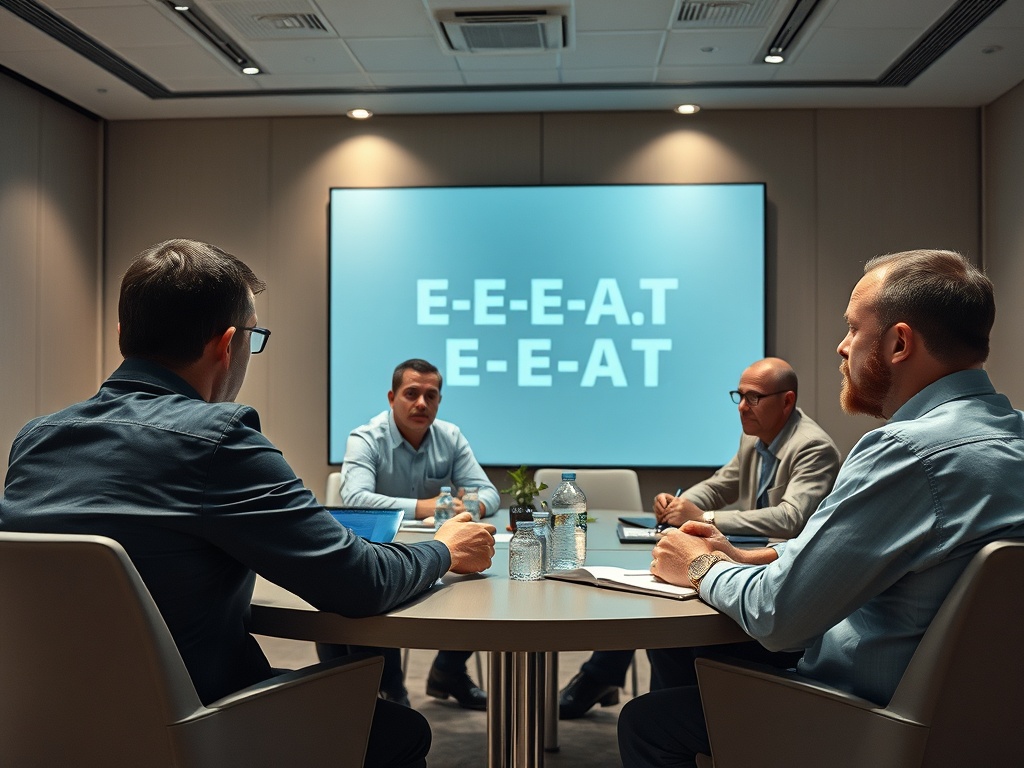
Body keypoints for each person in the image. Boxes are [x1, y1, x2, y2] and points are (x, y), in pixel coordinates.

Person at [0, 239, 498, 768]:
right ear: (228, 344)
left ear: (124, 334)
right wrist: (443, 549)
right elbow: (359, 583)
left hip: (44, 726)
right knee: (401, 730)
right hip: (193, 727)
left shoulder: (36, 439)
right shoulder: (219, 439)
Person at [618, 249, 1024, 768]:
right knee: (679, 652)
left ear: (899, 343)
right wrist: (754, 558)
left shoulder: (907, 452)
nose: (842, 345)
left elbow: (780, 617)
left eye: (853, 328)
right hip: (976, 719)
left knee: (647, 721)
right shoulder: (1006, 436)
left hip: (868, 715)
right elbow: (911, 558)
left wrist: (699, 566)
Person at [559, 357, 841, 718]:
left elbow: (790, 518)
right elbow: (721, 483)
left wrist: (703, 517)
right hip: (742, 557)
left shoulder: (812, 447)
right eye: (738, 396)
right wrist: (682, 503)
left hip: (778, 577)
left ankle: (650, 708)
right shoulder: (754, 437)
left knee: (664, 617)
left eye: (753, 398)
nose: (742, 406)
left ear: (786, 401)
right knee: (654, 592)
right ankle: (648, 705)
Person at [330, 358, 499, 710]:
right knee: (375, 590)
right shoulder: (365, 437)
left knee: (481, 581)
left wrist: (467, 507)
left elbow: (488, 492)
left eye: (431, 395)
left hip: (435, 547)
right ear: (392, 397)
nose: (421, 403)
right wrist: (427, 505)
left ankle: (448, 672)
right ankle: (390, 692)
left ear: (438, 401)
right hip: (380, 551)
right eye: (411, 393)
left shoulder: (449, 437)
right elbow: (356, 498)